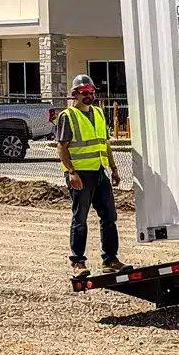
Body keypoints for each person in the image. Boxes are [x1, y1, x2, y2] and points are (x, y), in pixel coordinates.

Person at [55, 74, 123, 275]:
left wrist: (114, 168)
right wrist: (71, 173)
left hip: (100, 173)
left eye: (92, 92)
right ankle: (78, 262)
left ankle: (110, 260)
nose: (89, 96)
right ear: (74, 94)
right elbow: (62, 147)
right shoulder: (67, 116)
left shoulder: (100, 114)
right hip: (80, 175)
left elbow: (105, 144)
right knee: (80, 219)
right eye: (85, 92)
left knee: (109, 217)